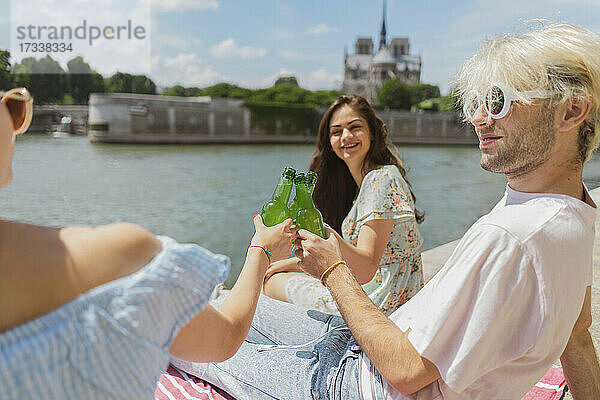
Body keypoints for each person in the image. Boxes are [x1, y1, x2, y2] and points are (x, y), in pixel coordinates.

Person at [172, 22, 600, 399]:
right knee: (228, 307)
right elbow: (578, 337)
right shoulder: (577, 213)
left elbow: (407, 373)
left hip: (356, 383)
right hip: (370, 341)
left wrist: (330, 268)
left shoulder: (509, 237)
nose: (480, 120)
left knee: (182, 336)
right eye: (474, 104)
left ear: (571, 110)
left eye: (498, 100)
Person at [0, 87, 295, 399]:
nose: (15, 113)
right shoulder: (123, 255)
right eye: (11, 106)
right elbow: (226, 337)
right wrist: (261, 249)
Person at [263, 95, 424, 315]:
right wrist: (290, 263)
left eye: (354, 127)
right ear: (329, 142)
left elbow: (366, 268)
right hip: (388, 300)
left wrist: (324, 233)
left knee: (270, 284)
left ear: (372, 132)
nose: (346, 136)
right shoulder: (374, 180)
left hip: (375, 307)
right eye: (336, 131)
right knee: (279, 274)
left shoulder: (379, 180)